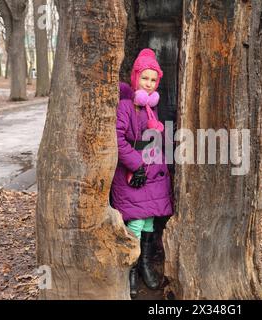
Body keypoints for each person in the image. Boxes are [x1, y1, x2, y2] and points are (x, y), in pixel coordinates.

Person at [111, 48, 173, 299]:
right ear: (135, 78)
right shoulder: (126, 106)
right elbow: (117, 139)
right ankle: (132, 267)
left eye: (152, 80)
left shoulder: (151, 108)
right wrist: (135, 165)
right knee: (135, 221)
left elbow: (153, 137)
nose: (148, 84)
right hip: (132, 172)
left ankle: (146, 261)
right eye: (144, 78)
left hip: (152, 172)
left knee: (149, 220)